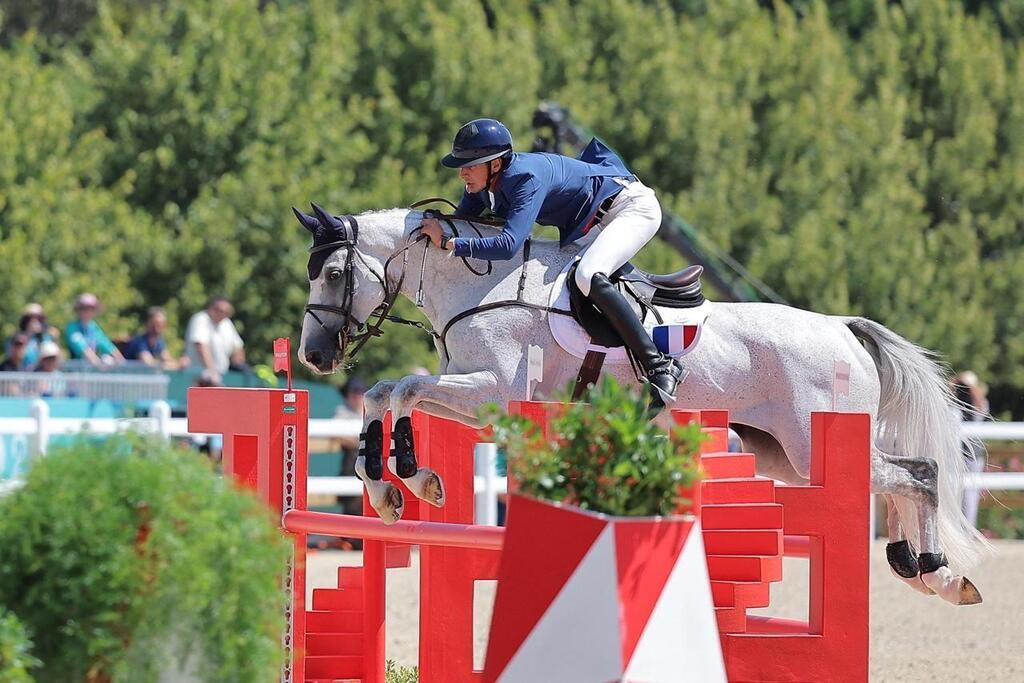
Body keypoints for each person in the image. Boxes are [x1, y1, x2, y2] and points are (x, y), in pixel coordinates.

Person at [421, 118, 684, 410]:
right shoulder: (482, 185)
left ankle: (659, 365)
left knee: (587, 275)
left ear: (495, 164)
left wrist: (448, 243)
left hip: (629, 208)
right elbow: (465, 223)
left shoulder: (525, 178)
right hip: (590, 226)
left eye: (469, 165)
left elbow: (509, 245)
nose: (462, 173)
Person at [952, 370, 990, 528]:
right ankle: (957, 528)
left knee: (970, 494)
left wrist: (971, 387)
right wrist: (956, 384)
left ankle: (968, 528)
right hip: (956, 454)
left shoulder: (980, 402)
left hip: (973, 454)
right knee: (955, 491)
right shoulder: (954, 403)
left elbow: (981, 408)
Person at [184, 296, 246, 375]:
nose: (221, 314)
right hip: (199, 375)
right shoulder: (201, 319)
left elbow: (238, 347)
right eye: (219, 310)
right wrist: (212, 371)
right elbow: (201, 346)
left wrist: (239, 369)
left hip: (221, 374)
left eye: (226, 312)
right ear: (211, 308)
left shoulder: (226, 323)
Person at [334, 376, 367, 518]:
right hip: (352, 459)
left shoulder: (368, 411)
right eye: (353, 392)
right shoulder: (343, 411)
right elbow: (340, 437)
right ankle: (349, 538)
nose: (357, 396)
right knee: (351, 503)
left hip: (367, 456)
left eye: (359, 392)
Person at [65, 293, 123, 366]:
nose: (88, 311)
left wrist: (120, 360)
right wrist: (99, 364)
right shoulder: (72, 328)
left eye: (91, 308)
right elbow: (83, 349)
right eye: (84, 308)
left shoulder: (93, 327)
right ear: (78, 309)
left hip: (91, 371)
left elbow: (107, 345)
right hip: (76, 373)